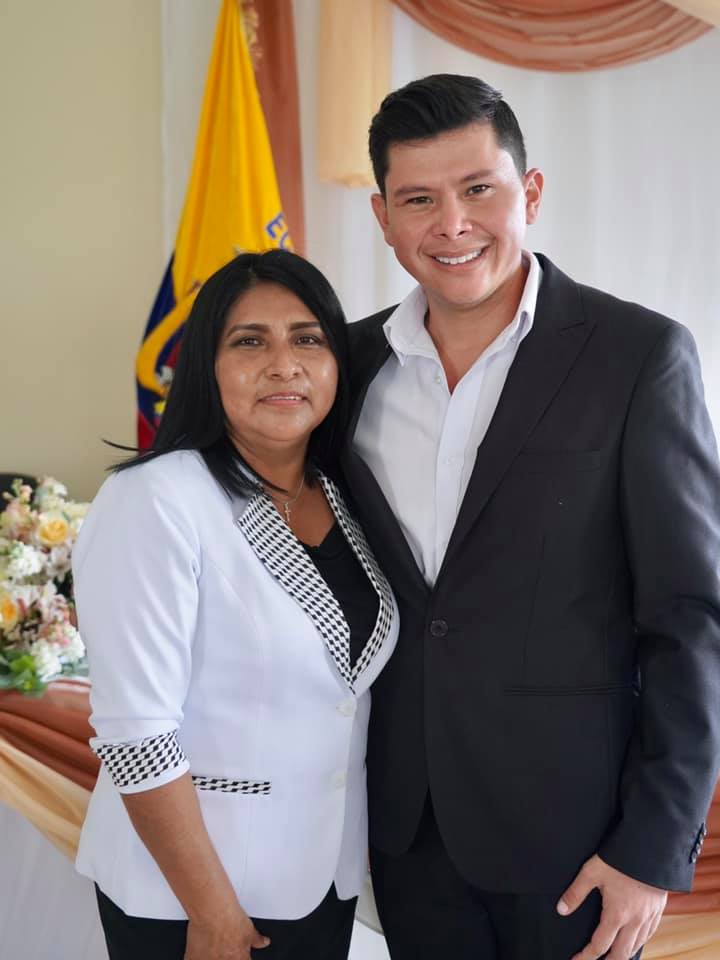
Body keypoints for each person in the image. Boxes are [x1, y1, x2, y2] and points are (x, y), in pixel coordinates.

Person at [341, 74, 720, 960]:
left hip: (580, 843)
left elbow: (691, 618)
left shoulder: (639, 355)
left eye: (479, 189)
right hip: (406, 832)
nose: (452, 224)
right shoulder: (345, 364)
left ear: (531, 193)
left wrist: (652, 847)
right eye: (419, 199)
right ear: (384, 217)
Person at [72, 250, 398, 960]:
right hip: (189, 898)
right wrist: (212, 910)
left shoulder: (345, 495)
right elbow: (135, 732)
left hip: (320, 878)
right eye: (250, 341)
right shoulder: (155, 499)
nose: (284, 365)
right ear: (206, 367)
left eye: (308, 339)